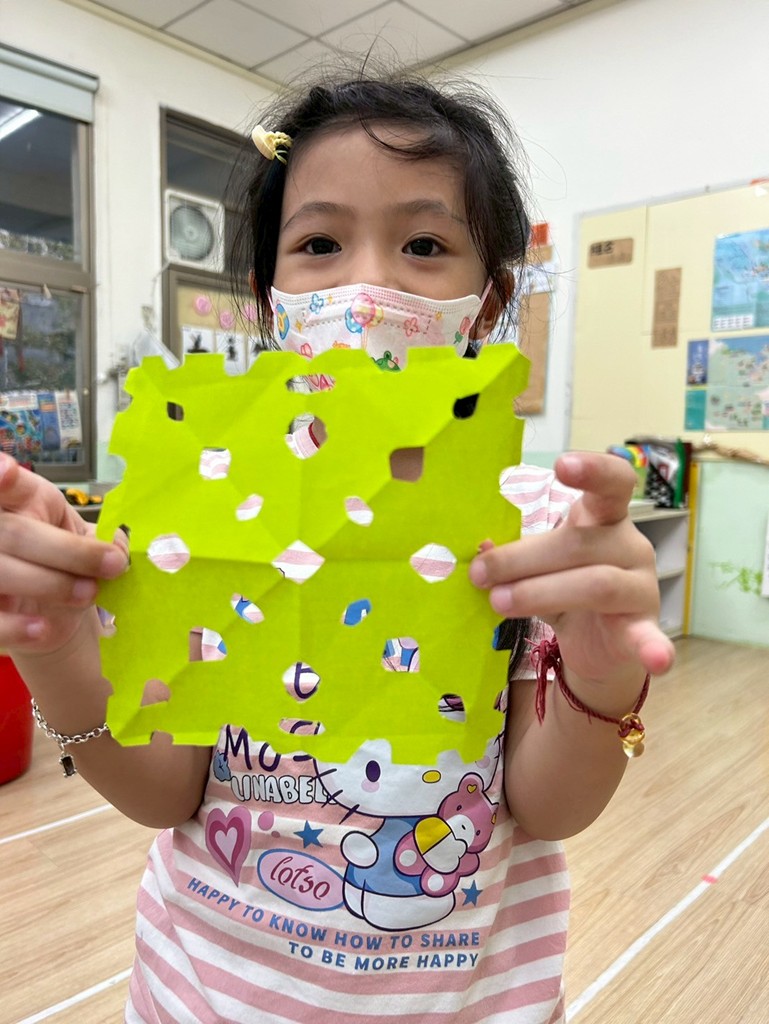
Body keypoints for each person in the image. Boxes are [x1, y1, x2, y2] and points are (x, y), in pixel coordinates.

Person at [2, 69, 674, 1023]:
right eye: (319, 243)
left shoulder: (532, 528)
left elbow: (550, 809)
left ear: (488, 305)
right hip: (202, 996)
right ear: (267, 296)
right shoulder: (202, 509)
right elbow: (164, 794)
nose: (368, 286)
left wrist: (599, 680)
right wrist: (57, 647)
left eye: (424, 245)